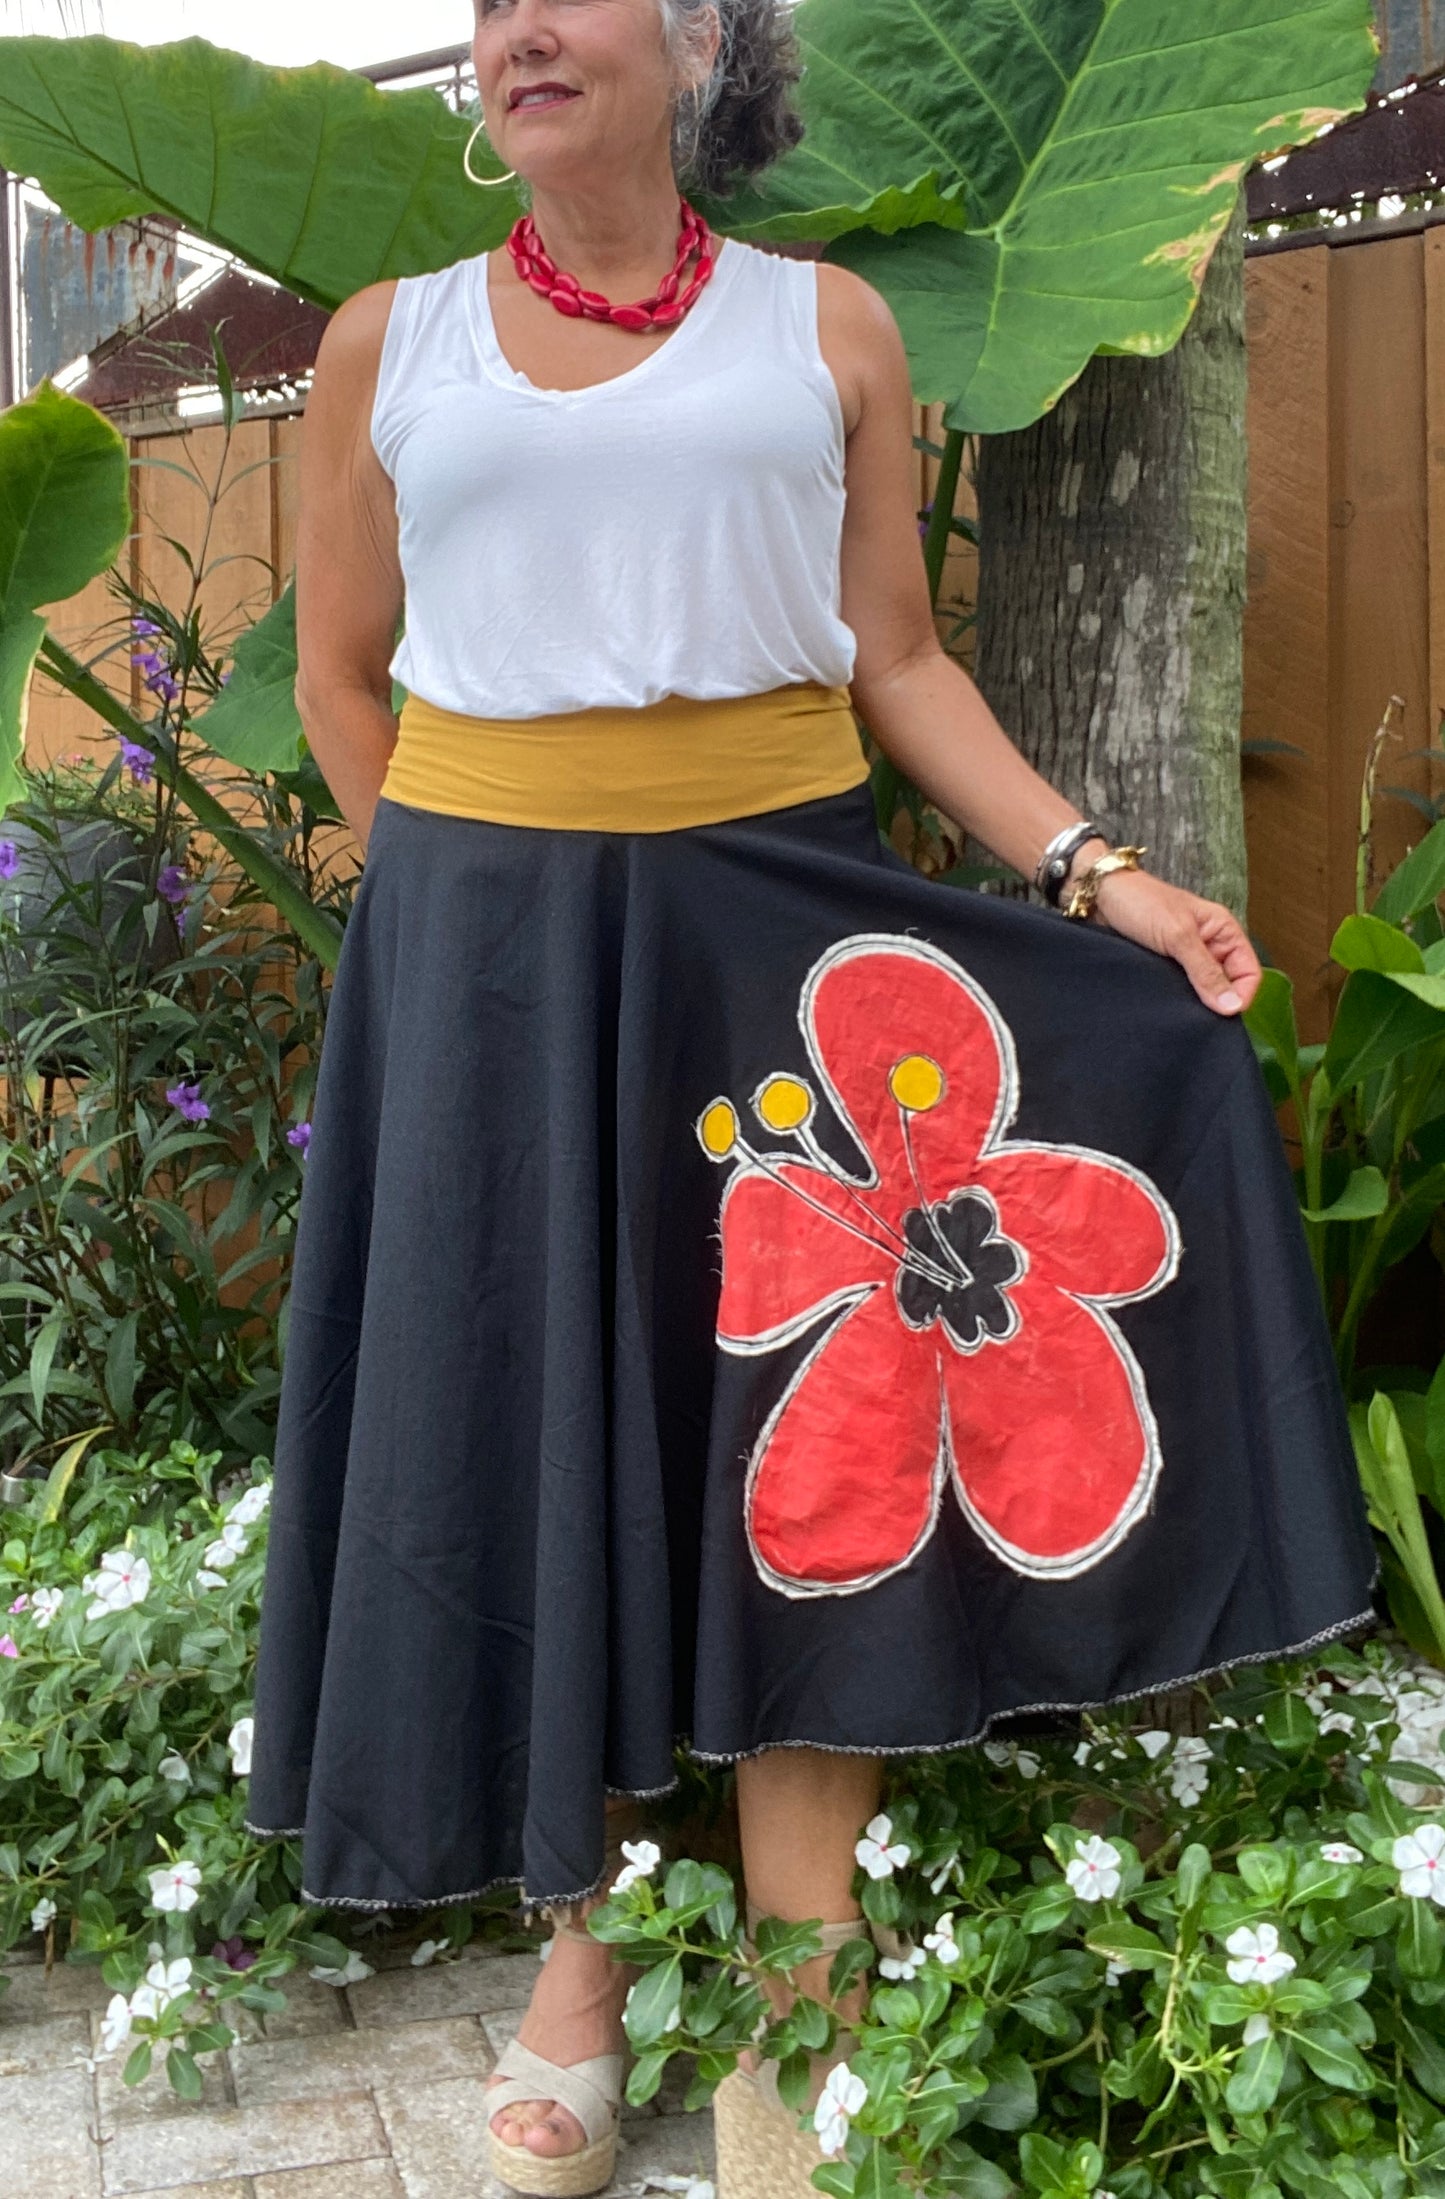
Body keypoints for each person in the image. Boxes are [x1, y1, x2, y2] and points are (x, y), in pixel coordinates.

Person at [245, 1, 1379, 2193]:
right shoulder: (391, 344)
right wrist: (435, 927)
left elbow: (900, 660)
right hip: (491, 960)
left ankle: (802, 1978)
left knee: (806, 1433)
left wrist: (1099, 872)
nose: (518, 32)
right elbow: (335, 670)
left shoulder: (824, 328)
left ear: (700, 55)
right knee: (534, 1424)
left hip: (776, 929)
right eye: (489, 10)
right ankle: (576, 1967)